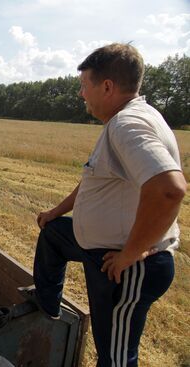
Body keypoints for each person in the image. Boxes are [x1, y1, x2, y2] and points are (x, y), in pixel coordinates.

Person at [23, 43, 187, 366]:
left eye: (85, 86)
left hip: (125, 267)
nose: (82, 94)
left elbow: (171, 189)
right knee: (53, 234)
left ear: (107, 87)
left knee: (115, 358)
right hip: (101, 250)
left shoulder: (128, 126)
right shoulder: (125, 120)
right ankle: (47, 304)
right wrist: (57, 212)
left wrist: (132, 253)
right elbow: (93, 181)